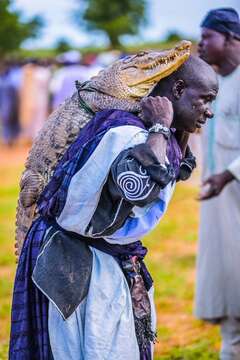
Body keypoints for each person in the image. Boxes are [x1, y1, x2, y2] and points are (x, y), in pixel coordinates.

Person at [9, 54, 218, 360]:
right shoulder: (127, 131)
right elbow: (137, 186)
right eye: (204, 100)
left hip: (98, 257)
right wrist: (161, 125)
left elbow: (175, 170)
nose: (209, 111)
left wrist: (177, 125)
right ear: (177, 90)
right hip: (76, 262)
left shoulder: (152, 131)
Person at [196, 8, 240, 359]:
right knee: (227, 275)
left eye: (208, 36)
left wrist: (228, 174)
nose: (201, 43)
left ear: (230, 39)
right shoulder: (212, 83)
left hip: (233, 189)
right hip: (217, 197)